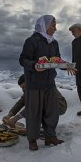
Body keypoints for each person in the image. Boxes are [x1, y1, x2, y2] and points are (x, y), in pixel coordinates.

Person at [19, 15, 67, 150]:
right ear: (44, 25)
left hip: (50, 83)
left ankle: (50, 137)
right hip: (34, 84)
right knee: (34, 113)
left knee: (52, 111)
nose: (55, 28)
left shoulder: (54, 43)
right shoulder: (31, 41)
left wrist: (66, 65)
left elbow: (57, 60)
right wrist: (35, 65)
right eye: (53, 25)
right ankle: (32, 139)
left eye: (55, 25)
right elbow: (23, 60)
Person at [2, 74, 68, 128]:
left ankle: (47, 129)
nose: (23, 90)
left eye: (24, 87)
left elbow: (34, 105)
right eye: (21, 88)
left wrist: (16, 118)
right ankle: (43, 127)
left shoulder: (38, 87)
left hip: (60, 105)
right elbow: (21, 102)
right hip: (49, 106)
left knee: (35, 108)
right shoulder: (30, 89)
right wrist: (9, 115)